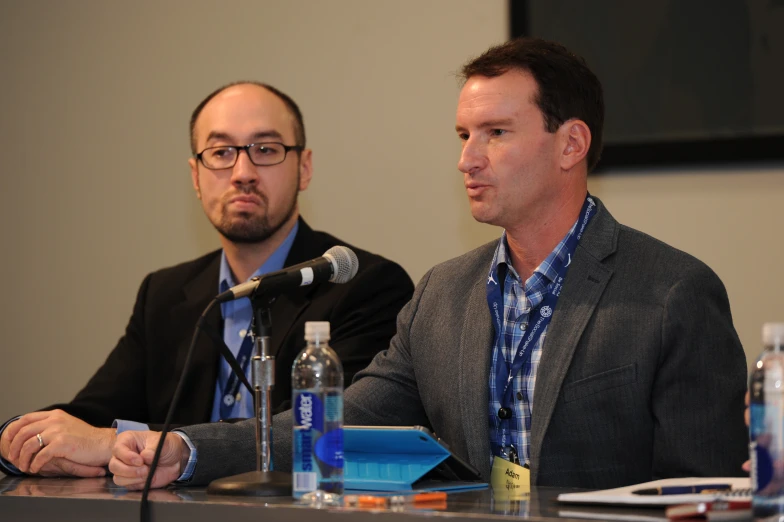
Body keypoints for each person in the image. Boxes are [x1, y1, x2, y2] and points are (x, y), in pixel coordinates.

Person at [110, 38, 748, 491]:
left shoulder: (671, 293)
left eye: (495, 133)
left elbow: (703, 496)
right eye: (463, 136)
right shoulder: (444, 293)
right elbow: (337, 424)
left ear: (571, 144)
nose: (468, 159)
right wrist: (186, 450)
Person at [0, 82, 414, 478]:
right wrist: (21, 441)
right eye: (220, 152)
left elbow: (323, 432)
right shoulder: (164, 294)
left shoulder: (365, 285)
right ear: (195, 176)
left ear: (304, 168)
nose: (242, 172)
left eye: (265, 149)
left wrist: (117, 443)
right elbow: (89, 415)